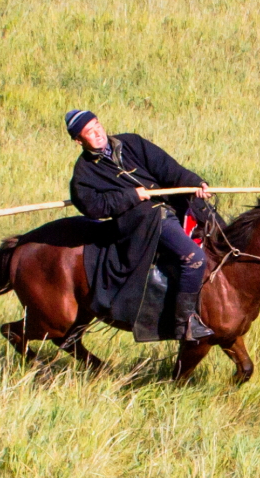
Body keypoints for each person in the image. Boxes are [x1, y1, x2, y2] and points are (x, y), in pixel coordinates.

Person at [64, 109, 215, 342]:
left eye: (97, 125)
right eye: (89, 132)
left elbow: (167, 167)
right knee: (194, 258)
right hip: (145, 222)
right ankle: (184, 323)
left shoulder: (131, 142)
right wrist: (132, 196)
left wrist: (195, 183)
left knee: (219, 232)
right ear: (78, 140)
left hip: (174, 206)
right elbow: (94, 207)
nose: (97, 133)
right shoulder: (84, 172)